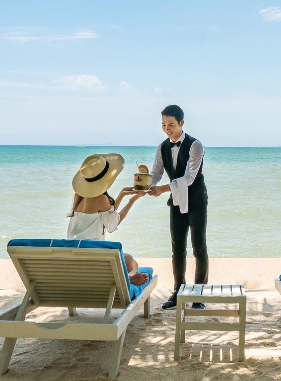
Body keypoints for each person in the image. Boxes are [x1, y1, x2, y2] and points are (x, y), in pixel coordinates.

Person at [145, 104, 208, 309]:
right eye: (163, 124)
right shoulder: (162, 147)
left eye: (171, 124)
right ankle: (178, 292)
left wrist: (162, 189)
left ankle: (199, 295)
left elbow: (189, 178)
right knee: (177, 248)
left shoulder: (196, 145)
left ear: (181, 123)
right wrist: (145, 185)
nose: (167, 129)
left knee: (199, 247)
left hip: (196, 200)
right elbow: (156, 173)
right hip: (176, 201)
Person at [68, 153, 148, 285]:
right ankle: (129, 278)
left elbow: (105, 213)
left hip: (75, 256)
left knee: (129, 260)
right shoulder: (102, 199)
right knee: (131, 261)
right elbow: (114, 223)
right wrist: (132, 200)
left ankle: (129, 276)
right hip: (93, 258)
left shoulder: (79, 196)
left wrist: (122, 194)